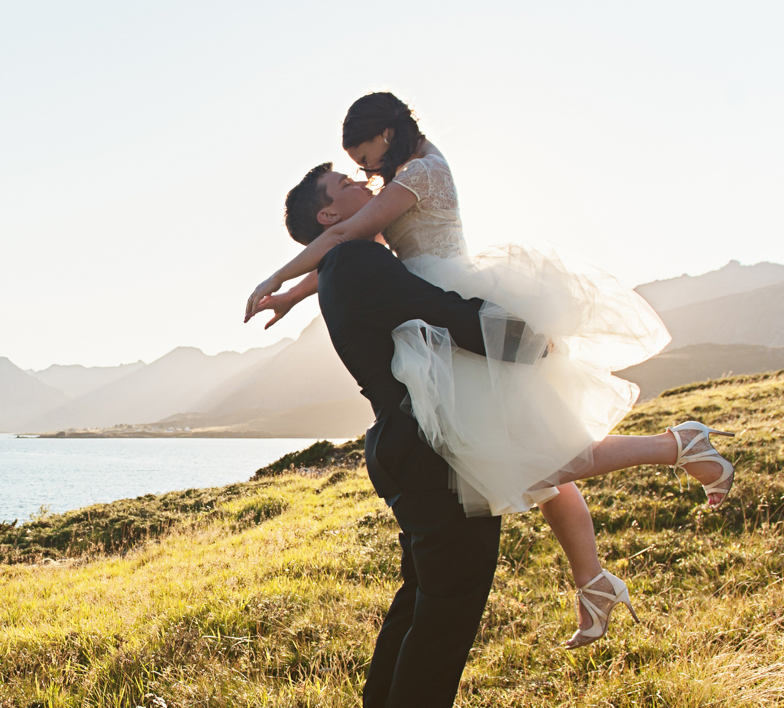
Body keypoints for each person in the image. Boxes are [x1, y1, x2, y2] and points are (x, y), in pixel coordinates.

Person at [247, 93, 736, 651]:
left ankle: (679, 444)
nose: (364, 173)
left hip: (459, 309)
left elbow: (341, 236)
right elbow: (350, 244)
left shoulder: (422, 174)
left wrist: (277, 282)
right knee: (537, 461)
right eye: (353, 170)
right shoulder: (404, 174)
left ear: (385, 134)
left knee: (544, 457)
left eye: (363, 159)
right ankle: (593, 582)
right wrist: (295, 295)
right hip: (439, 314)